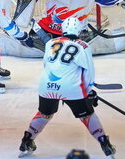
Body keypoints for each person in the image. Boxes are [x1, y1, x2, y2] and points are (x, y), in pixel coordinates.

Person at [17, 17, 116, 158]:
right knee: (87, 116)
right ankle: (105, 145)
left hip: (47, 85)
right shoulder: (83, 46)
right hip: (71, 87)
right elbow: (88, 72)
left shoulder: (51, 42)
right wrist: (88, 91)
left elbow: (46, 64)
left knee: (44, 114)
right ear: (80, 31)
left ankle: (25, 142)